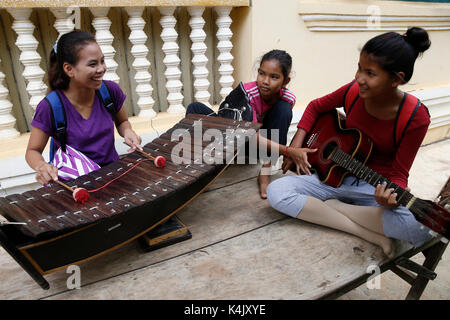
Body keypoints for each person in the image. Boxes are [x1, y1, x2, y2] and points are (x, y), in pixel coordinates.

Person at [267, 27, 433, 258]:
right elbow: (315, 107)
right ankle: (364, 230)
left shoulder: (415, 117)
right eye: (359, 68)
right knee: (277, 191)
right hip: (329, 177)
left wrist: (391, 197)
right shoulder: (354, 91)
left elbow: (399, 174)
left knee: (420, 230)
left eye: (370, 73)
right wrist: (296, 145)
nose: (359, 78)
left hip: (371, 188)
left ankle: (337, 208)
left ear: (396, 79)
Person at [25, 30, 142, 185]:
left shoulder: (110, 91)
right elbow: (32, 151)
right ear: (69, 69)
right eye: (93, 64)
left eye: (102, 61)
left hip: (112, 176)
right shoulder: (50, 107)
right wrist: (42, 166)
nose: (101, 69)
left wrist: (128, 131)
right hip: (77, 185)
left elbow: (122, 122)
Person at [186, 49, 300, 199]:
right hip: (229, 142)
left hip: (254, 149)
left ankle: (264, 174)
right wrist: (289, 151)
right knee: (194, 108)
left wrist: (279, 155)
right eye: (262, 73)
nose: (265, 81)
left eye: (274, 77)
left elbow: (278, 128)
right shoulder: (248, 93)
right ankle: (203, 166)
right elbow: (249, 135)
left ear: (285, 81)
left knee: (283, 110)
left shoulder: (288, 99)